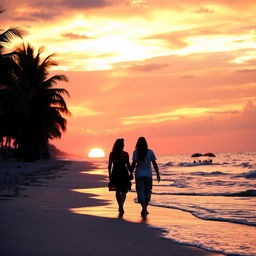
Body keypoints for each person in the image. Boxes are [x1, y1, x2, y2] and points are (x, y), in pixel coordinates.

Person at [131, 137, 160, 217]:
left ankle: (144, 208)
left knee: (140, 192)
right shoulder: (150, 152)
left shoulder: (136, 152)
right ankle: (145, 208)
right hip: (148, 175)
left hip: (139, 175)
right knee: (148, 192)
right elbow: (154, 163)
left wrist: (130, 173)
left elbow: (133, 164)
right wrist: (158, 174)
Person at [108, 138, 132, 214]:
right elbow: (128, 165)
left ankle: (120, 206)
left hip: (115, 172)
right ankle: (121, 205)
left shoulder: (112, 154)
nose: (124, 145)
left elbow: (109, 166)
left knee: (117, 191)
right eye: (123, 144)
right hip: (124, 173)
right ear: (121, 145)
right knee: (124, 191)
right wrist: (131, 173)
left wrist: (110, 174)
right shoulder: (125, 154)